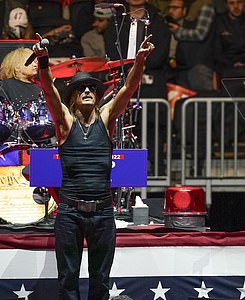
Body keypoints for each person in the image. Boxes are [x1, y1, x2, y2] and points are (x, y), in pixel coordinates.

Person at [32, 33, 155, 299]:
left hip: (102, 213)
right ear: (73, 97)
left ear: (97, 97)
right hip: (69, 214)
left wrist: (141, 60)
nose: (87, 91)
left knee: (100, 281)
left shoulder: (107, 117)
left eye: (91, 89)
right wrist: (43, 62)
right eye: (81, 89)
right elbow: (49, 91)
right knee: (67, 280)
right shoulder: (64, 122)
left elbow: (128, 89)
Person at [0, 47, 54, 143]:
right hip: (16, 136)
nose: (36, 64)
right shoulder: (7, 85)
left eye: (36, 61)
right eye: (31, 61)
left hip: (42, 134)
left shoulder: (40, 86)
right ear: (17, 66)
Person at [167, 0, 217, 92]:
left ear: (184, 10)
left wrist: (178, 31)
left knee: (201, 101)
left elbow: (200, 34)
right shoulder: (163, 26)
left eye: (175, 8)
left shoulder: (205, 6)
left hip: (195, 67)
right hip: (176, 69)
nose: (171, 11)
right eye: (169, 8)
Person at [213, 0, 245, 79]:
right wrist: (231, 63)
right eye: (231, 3)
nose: (236, 6)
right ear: (226, 5)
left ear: (244, 3)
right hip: (225, 64)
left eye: (239, 2)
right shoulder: (218, 23)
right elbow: (216, 51)